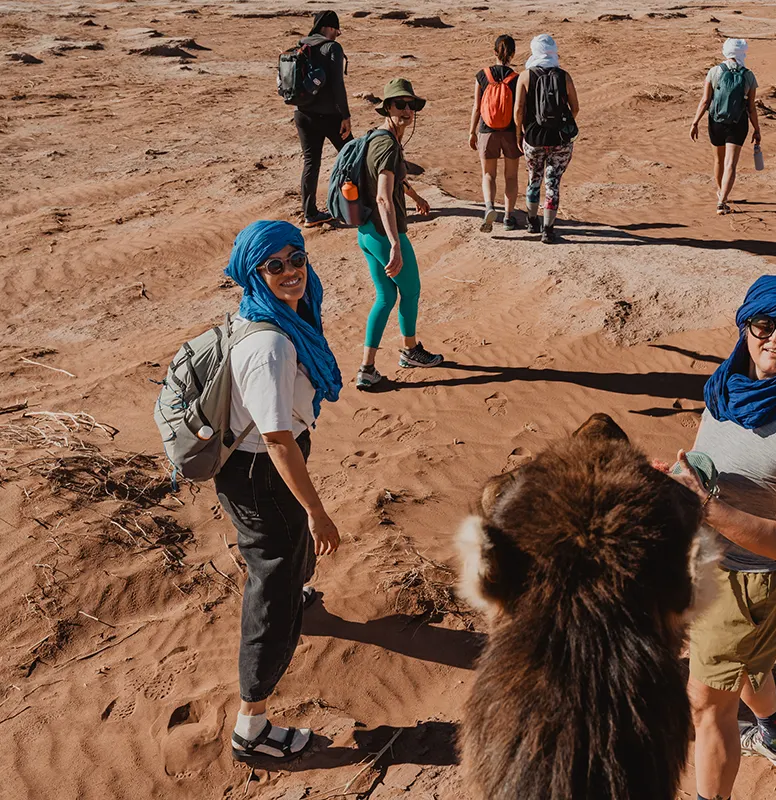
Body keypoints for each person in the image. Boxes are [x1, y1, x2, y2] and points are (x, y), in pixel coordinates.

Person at [662, 275, 776, 800]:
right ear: (745, 326)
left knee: (707, 703)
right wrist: (677, 485)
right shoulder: (724, 388)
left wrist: (705, 507)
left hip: (751, 581)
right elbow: (706, 466)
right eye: (764, 324)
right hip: (707, 561)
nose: (775, 339)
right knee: (748, 663)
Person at [217, 220, 343, 761]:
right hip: (260, 474)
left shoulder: (275, 316)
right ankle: (252, 725)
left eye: (297, 258)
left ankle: (298, 593)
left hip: (268, 467)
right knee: (272, 584)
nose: (292, 271)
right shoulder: (270, 344)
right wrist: (316, 511)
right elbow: (275, 439)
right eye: (275, 265)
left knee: (288, 564)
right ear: (254, 272)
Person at [354, 78, 444, 390]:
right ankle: (410, 351)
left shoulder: (380, 139)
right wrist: (394, 243)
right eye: (399, 105)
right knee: (411, 290)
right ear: (387, 107)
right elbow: (382, 196)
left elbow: (394, 181)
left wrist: (415, 197)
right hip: (382, 234)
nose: (406, 110)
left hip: (366, 233)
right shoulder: (387, 144)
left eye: (411, 105)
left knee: (386, 295)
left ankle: (367, 368)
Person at [514, 33, 580, 244]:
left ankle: (532, 221)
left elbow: (518, 109)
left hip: (533, 137)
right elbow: (575, 107)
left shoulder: (525, 76)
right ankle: (548, 230)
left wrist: (519, 133)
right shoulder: (564, 76)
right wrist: (561, 124)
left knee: (534, 179)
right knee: (553, 183)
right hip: (560, 139)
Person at [293, 10, 352, 228]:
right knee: (353, 156)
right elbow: (337, 84)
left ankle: (310, 214)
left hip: (302, 114)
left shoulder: (301, 45)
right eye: (337, 30)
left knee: (311, 163)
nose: (337, 34)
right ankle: (360, 203)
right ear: (329, 27)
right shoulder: (332, 47)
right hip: (329, 116)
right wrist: (345, 116)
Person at [690, 38, 762, 215]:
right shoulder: (749, 75)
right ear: (743, 53)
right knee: (731, 163)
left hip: (716, 122)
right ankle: (722, 201)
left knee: (719, 160)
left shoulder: (714, 71)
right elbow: (751, 107)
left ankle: (721, 193)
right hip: (738, 123)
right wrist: (757, 129)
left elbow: (706, 100)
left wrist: (695, 122)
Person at [469, 34, 522, 233]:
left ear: (494, 52)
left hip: (486, 130)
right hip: (509, 131)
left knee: (488, 174)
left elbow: (476, 107)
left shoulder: (482, 75)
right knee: (511, 176)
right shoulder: (516, 78)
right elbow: (519, 109)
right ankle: (509, 217)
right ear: (513, 53)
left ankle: (490, 207)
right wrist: (519, 134)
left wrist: (471, 132)